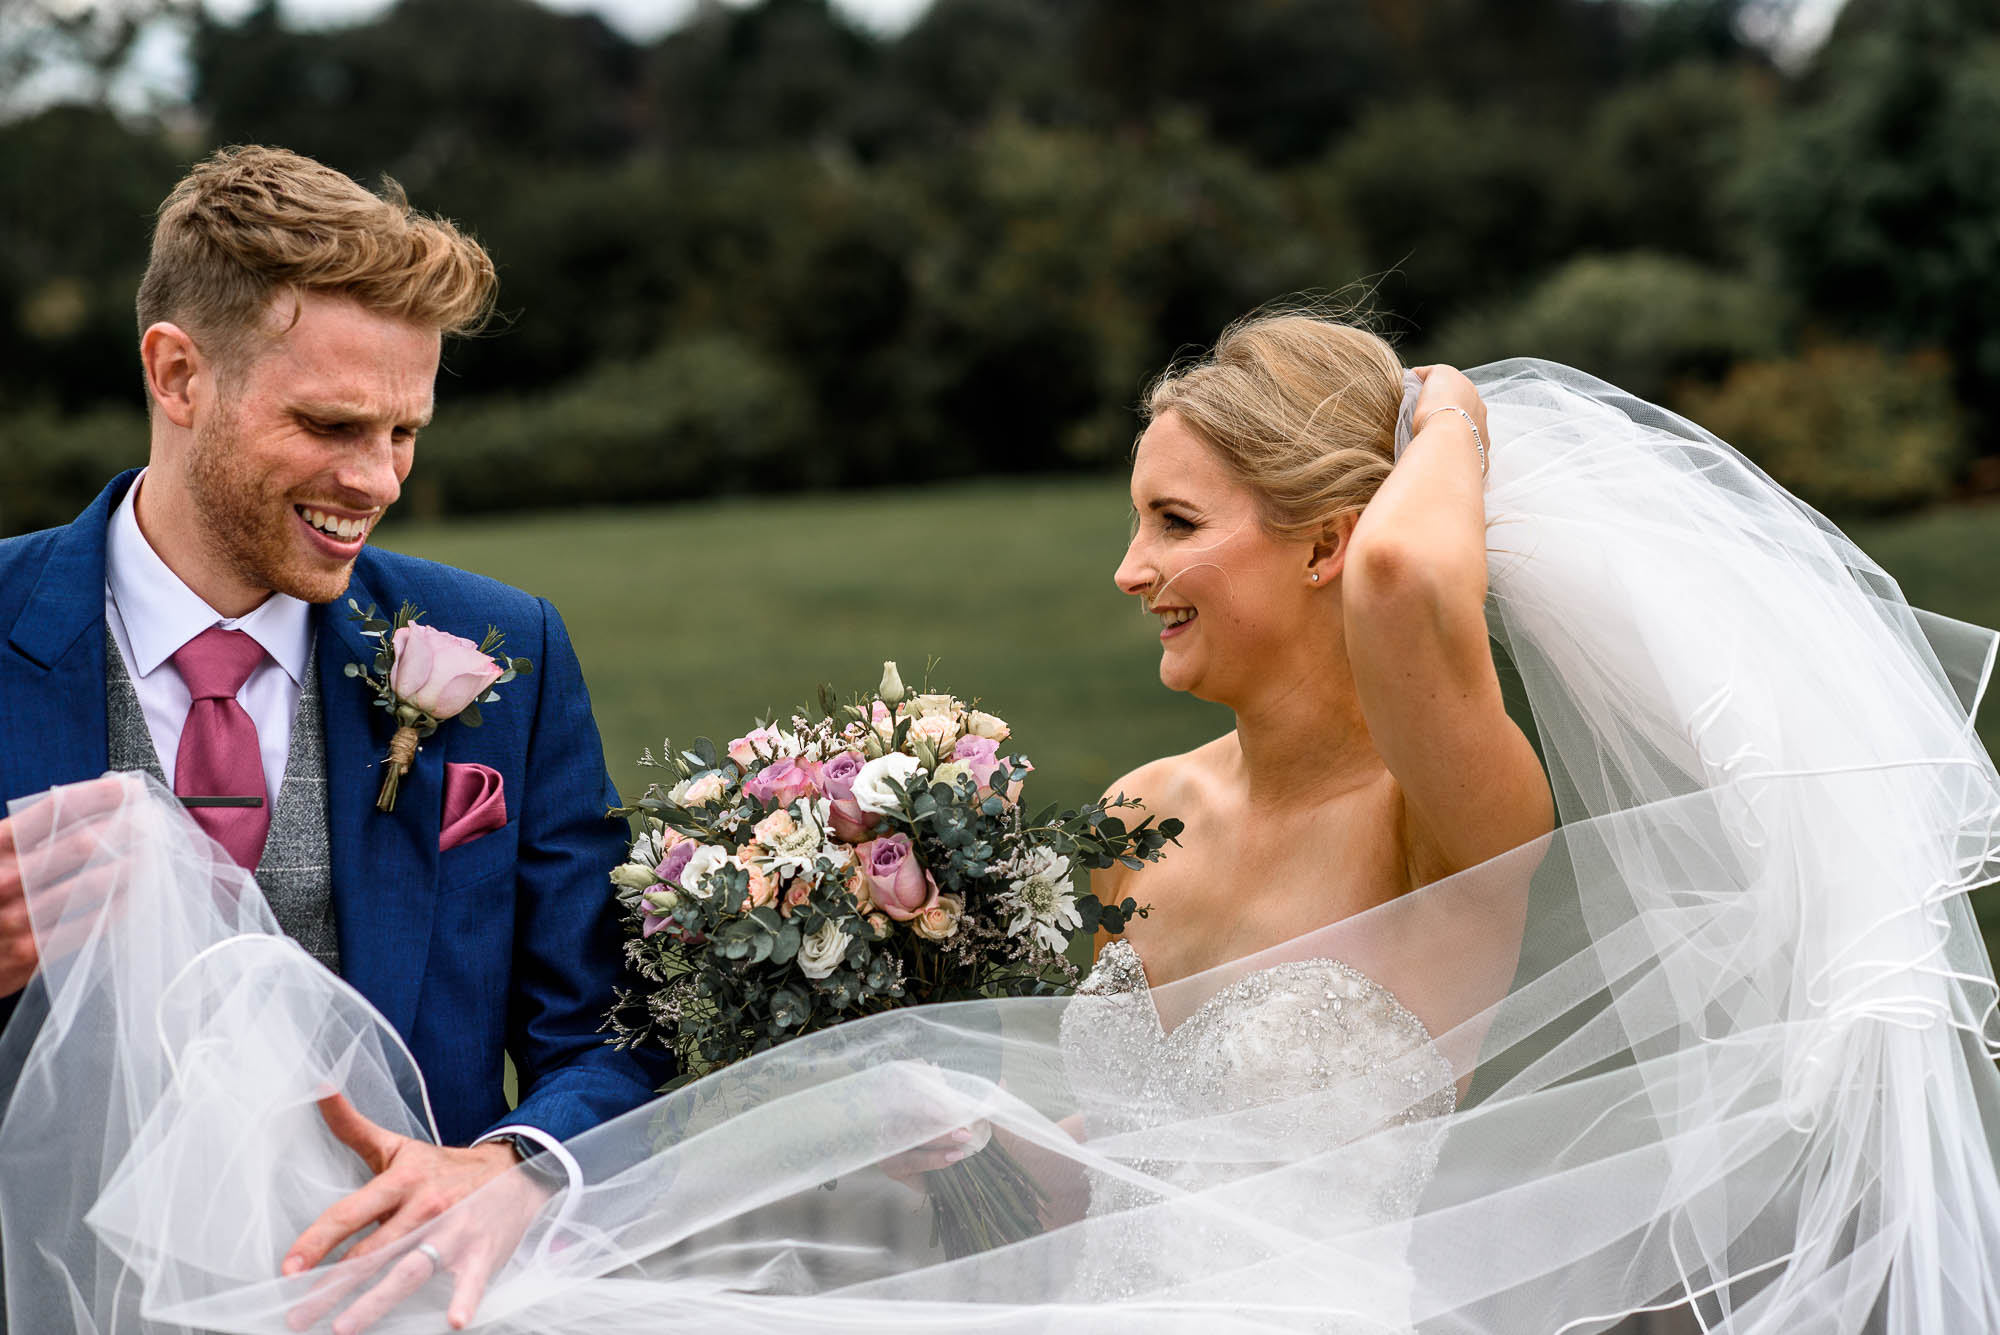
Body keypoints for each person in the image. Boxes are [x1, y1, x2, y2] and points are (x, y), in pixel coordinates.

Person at [5, 310, 1998, 1335]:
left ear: (1321, 543)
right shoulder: (1139, 807)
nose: (1130, 568)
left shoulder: (1445, 803)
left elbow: (1411, 590)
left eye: (1178, 522)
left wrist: (1445, 412)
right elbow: (1086, 1150)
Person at [0, 146, 668, 1331]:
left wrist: (513, 1162)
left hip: (403, 1307)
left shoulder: (506, 647)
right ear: (176, 373)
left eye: (404, 431)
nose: (377, 480)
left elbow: (615, 1028)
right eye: (330, 424)